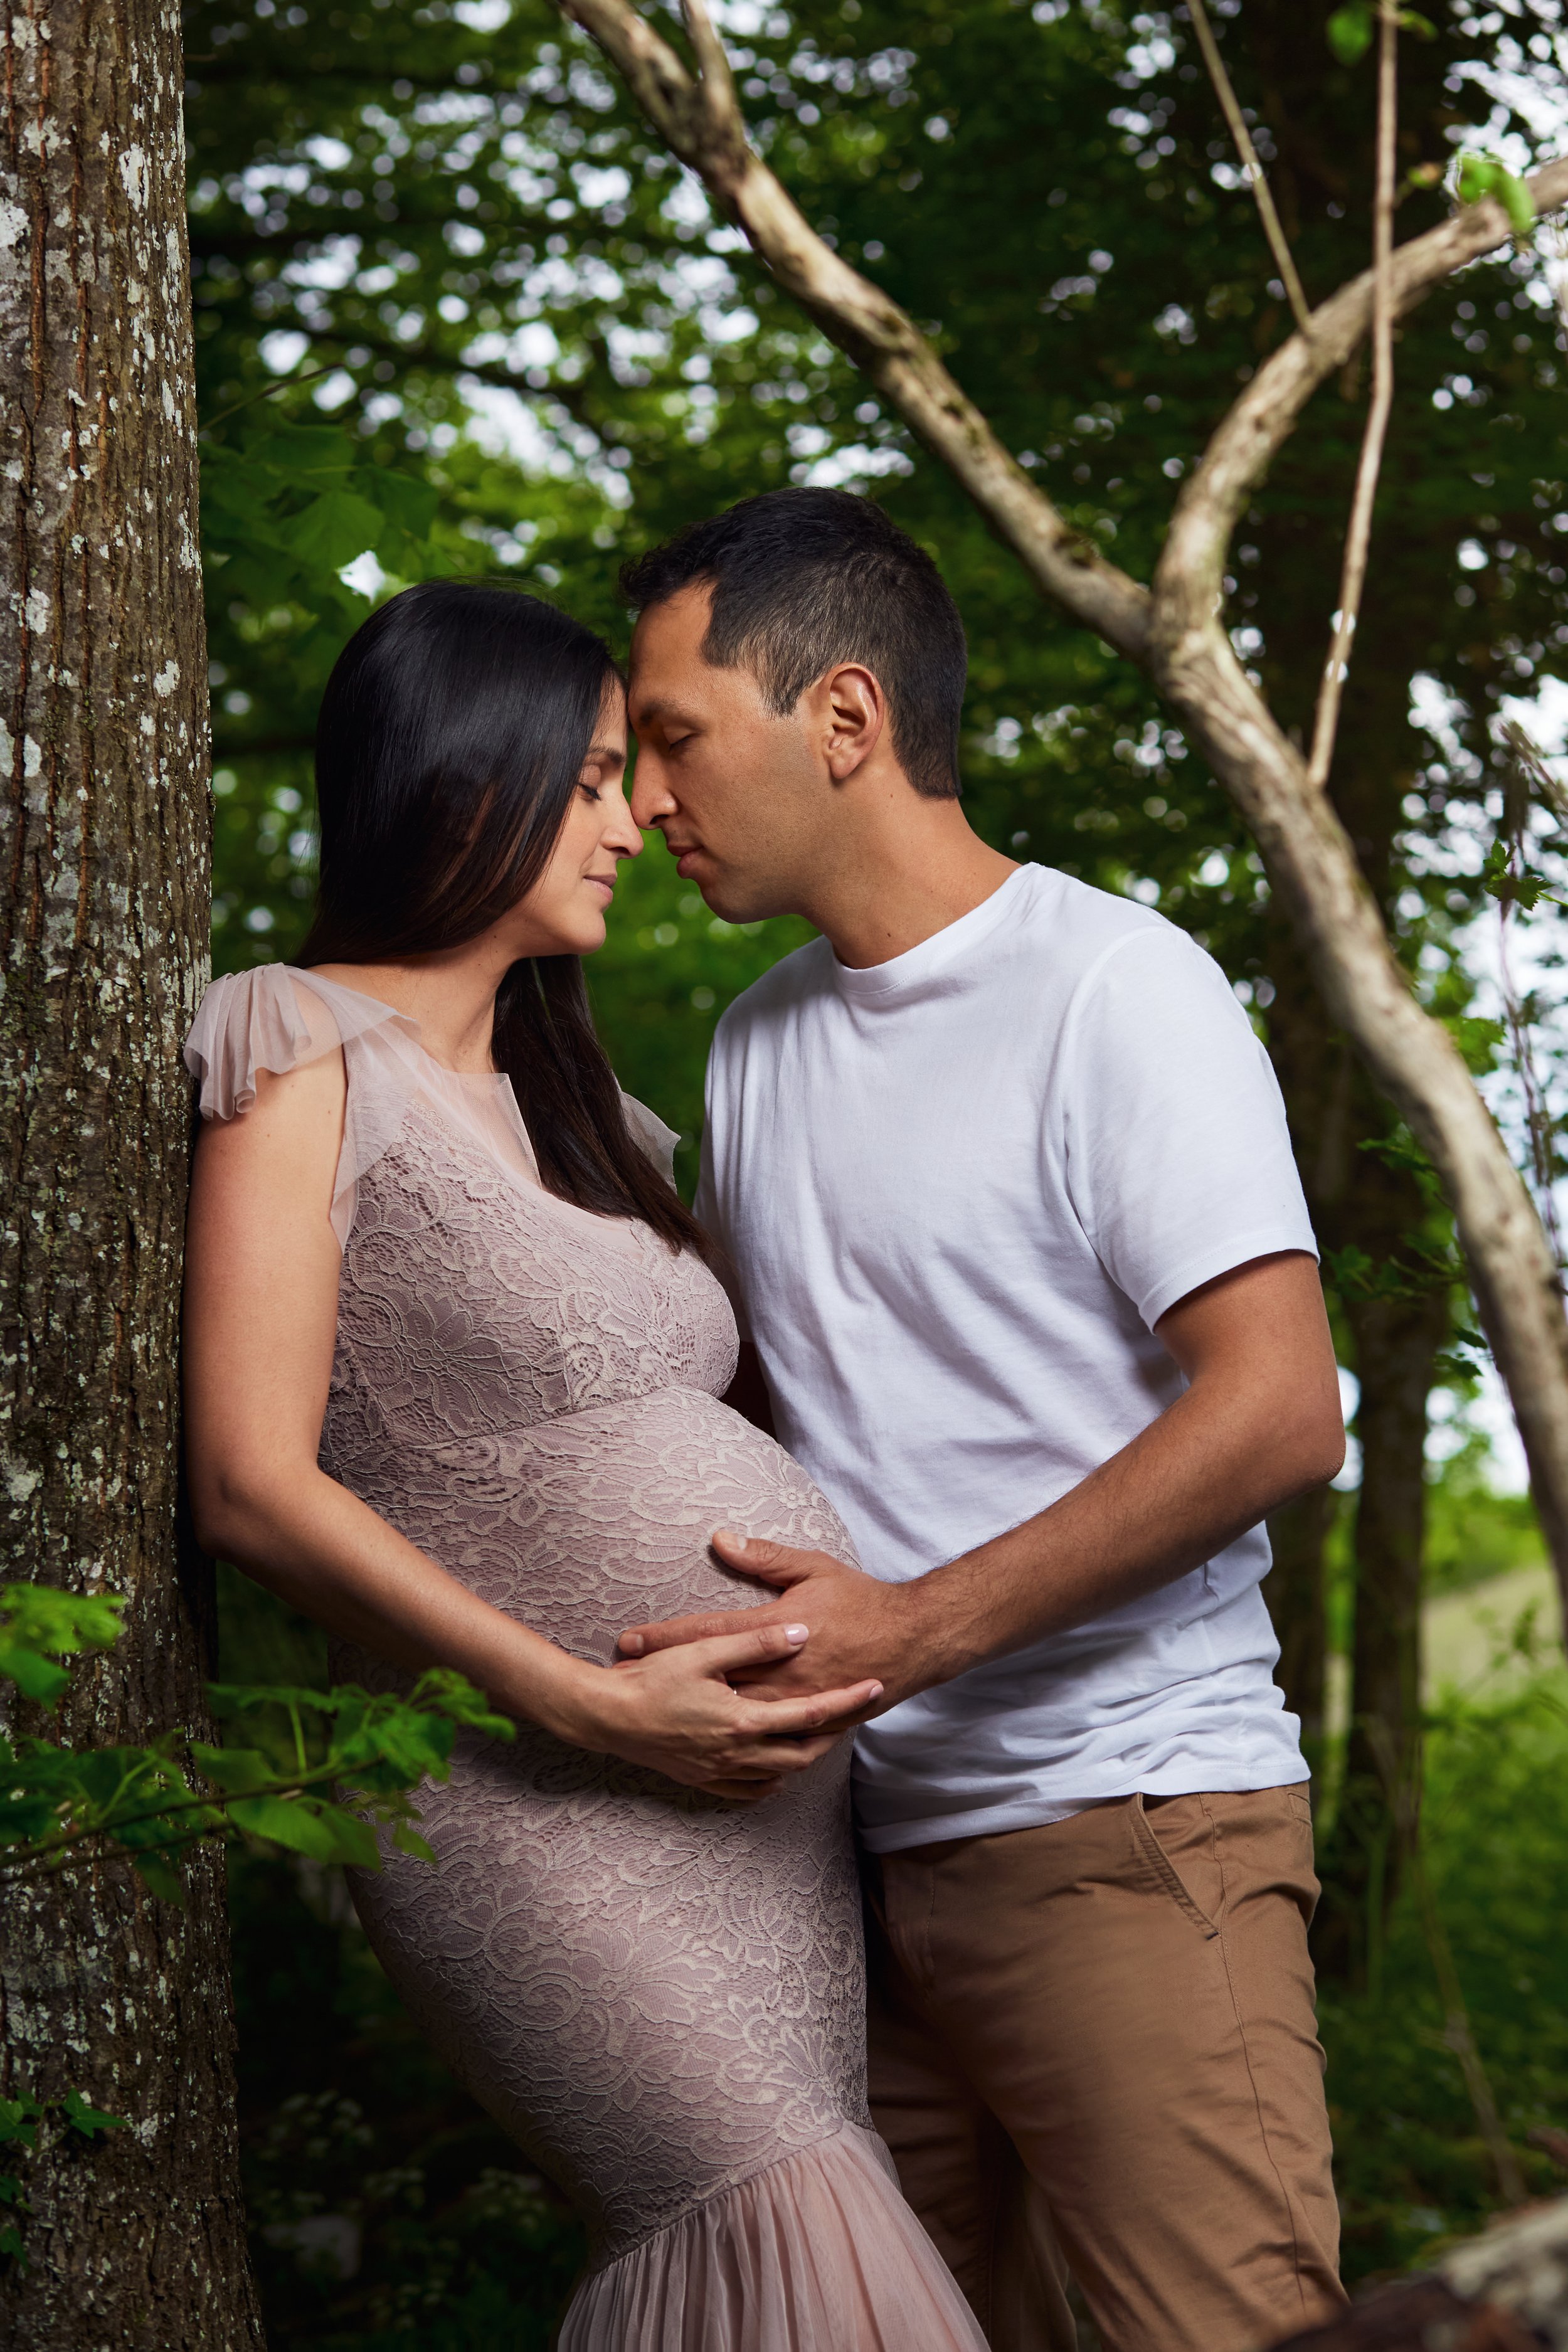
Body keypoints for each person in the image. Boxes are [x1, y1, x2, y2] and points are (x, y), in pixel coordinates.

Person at [181, 580, 990, 2351]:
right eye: (598, 779)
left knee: (798, 2237)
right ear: (469, 777)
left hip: (761, 1829)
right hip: (524, 1800)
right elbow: (249, 1481)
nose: (639, 823)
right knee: (776, 2225)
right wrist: (585, 1705)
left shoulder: (602, 1121)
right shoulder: (294, 1043)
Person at [614, 487, 1353, 2352]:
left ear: (843, 721)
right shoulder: (752, 1042)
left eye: (676, 741)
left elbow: (1278, 1412)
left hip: (1128, 1827)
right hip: (850, 1880)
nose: (641, 803)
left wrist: (912, 1633)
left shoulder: (1113, 990)